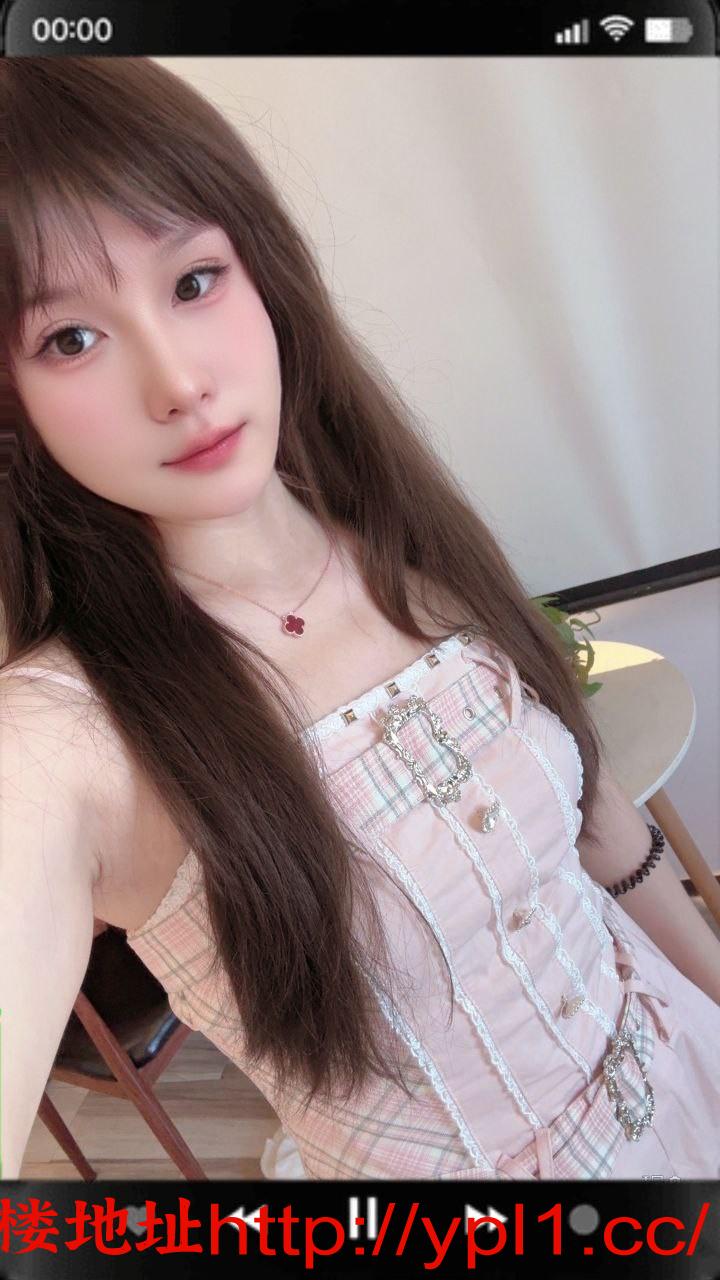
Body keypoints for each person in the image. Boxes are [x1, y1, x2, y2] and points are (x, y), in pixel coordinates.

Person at [1, 56, 718, 1184]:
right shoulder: (63, 739)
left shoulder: (404, 536)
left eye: (194, 280)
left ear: (262, 271)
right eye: (69, 339)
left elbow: (600, 827)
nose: (178, 380)